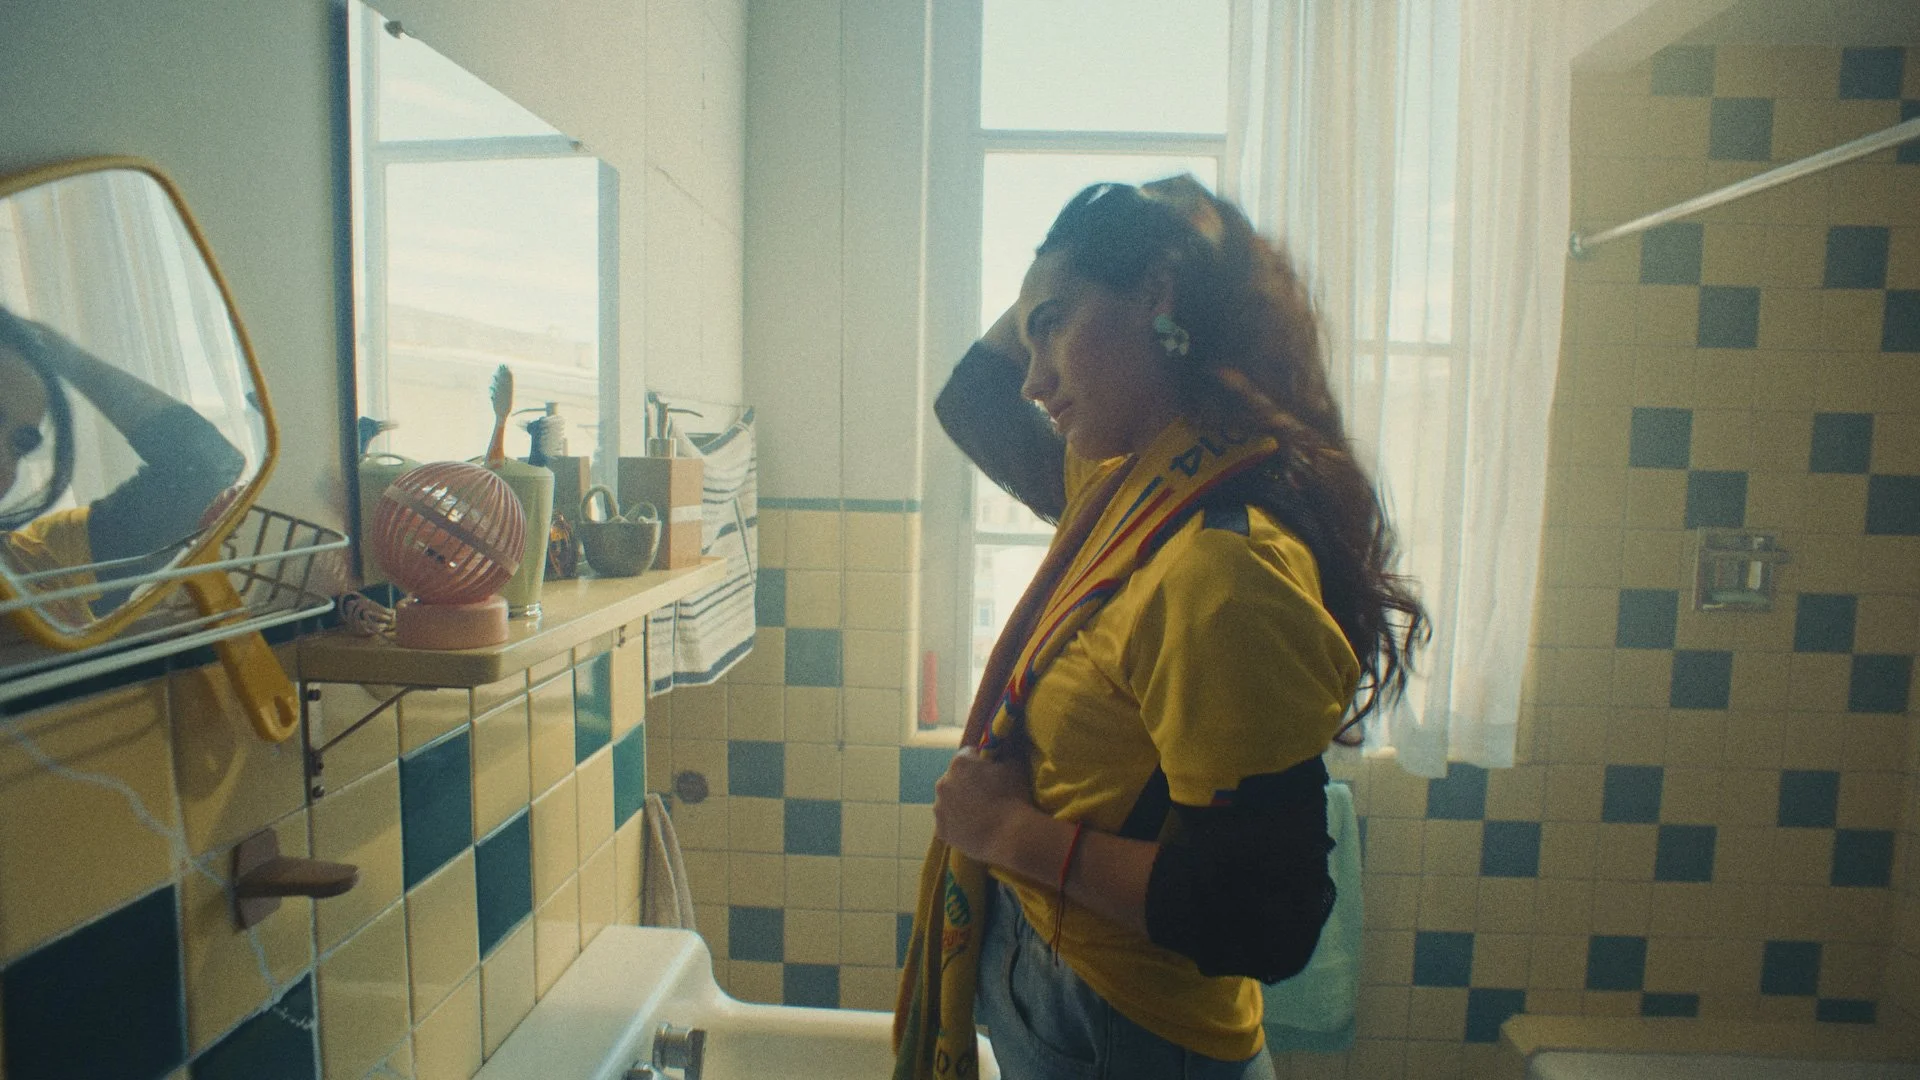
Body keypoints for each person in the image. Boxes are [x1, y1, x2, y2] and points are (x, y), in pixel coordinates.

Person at [892, 176, 1425, 1080]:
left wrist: (1007, 833)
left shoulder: (1220, 567)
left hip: (1133, 1033)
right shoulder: (1126, 490)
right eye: (1029, 335)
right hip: (1066, 993)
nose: (1033, 376)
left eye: (1053, 325)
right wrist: (1081, 267)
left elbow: (1264, 917)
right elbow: (973, 399)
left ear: (1156, 297)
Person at [0, 305, 247, 627]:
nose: (4, 464)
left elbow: (205, 467)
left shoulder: (39, 563)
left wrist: (62, 355)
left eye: (21, 445)